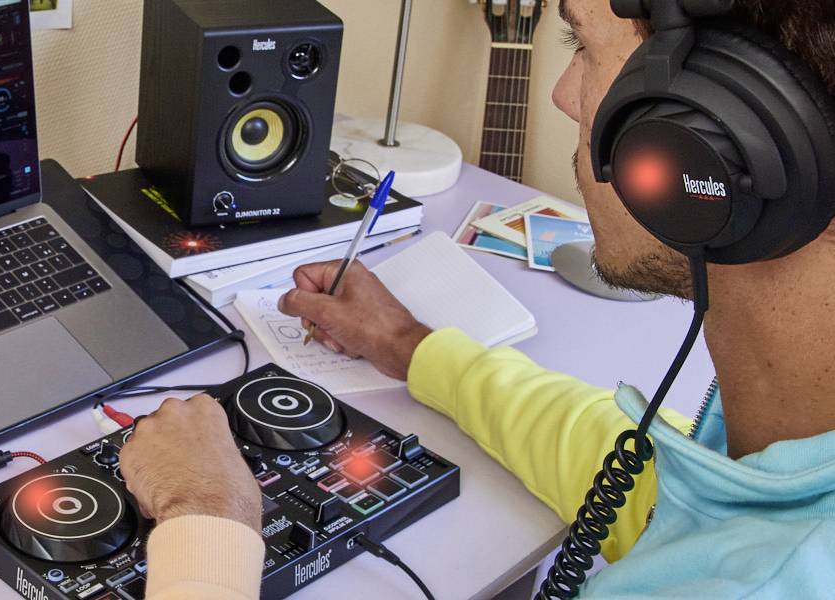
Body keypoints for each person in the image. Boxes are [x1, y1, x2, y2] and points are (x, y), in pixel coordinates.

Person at [119, 1, 835, 598]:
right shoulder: (784, 468)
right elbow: (661, 491)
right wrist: (411, 346)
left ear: (718, 131)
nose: (562, 93)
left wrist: (207, 518)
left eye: (581, 44)